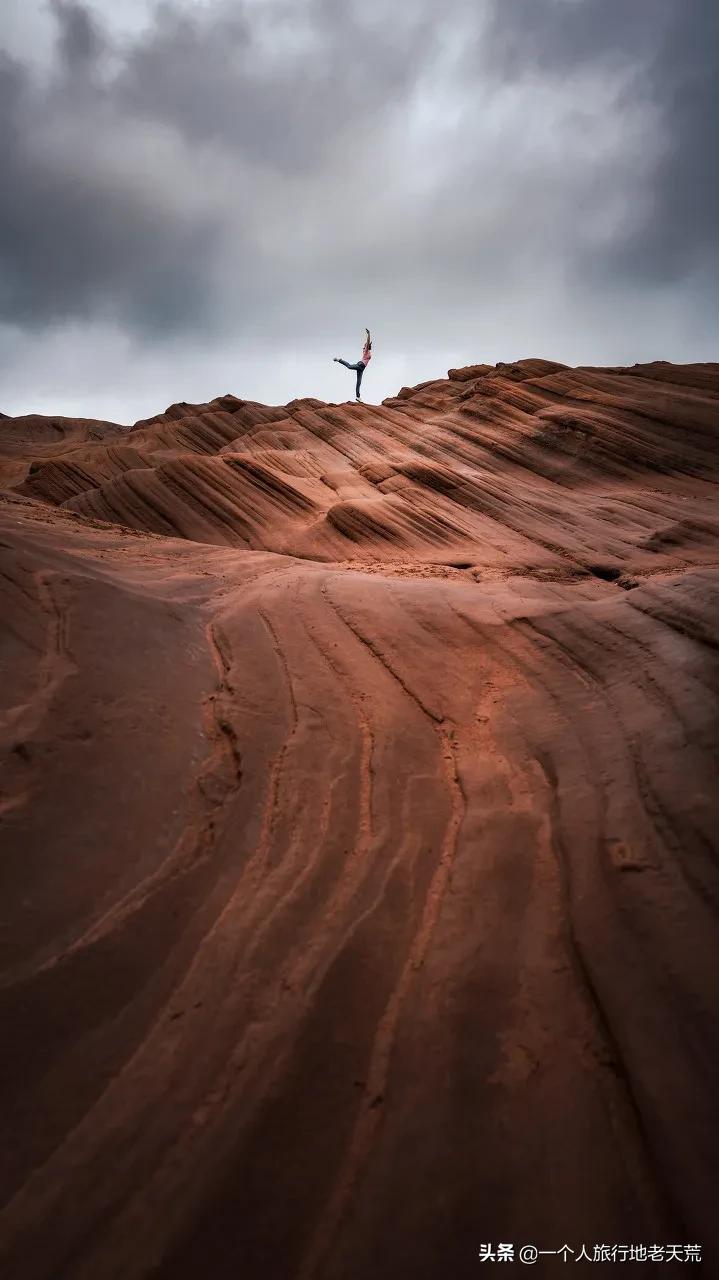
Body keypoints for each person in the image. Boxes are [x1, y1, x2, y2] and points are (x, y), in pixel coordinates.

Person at [334, 328, 372, 401]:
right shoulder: (366, 350)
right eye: (366, 344)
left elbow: (369, 343)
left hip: (362, 368)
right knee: (349, 366)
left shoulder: (368, 351)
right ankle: (339, 360)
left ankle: (358, 397)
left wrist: (369, 342)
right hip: (360, 365)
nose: (367, 344)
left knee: (358, 383)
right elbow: (368, 341)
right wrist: (369, 334)